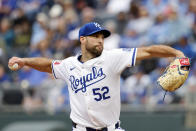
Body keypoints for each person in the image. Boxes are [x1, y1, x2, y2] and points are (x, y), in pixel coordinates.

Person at [8, 22, 185, 131]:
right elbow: (48, 64)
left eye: (102, 37)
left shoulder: (113, 57)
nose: (100, 40)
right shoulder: (69, 65)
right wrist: (25, 60)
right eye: (95, 36)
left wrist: (175, 52)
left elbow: (147, 51)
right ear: (82, 39)